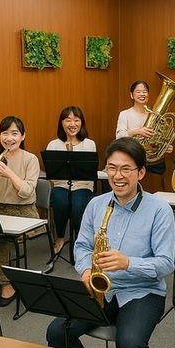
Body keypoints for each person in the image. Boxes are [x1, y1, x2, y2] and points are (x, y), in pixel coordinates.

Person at [46, 137, 175, 348]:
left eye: (126, 169)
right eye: (112, 168)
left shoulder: (159, 210)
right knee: (57, 331)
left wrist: (128, 262)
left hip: (143, 290)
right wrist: (85, 270)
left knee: (129, 343)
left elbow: (166, 263)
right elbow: (81, 246)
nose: (118, 176)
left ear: (141, 172)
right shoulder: (96, 204)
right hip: (100, 287)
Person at [0, 116, 40, 305]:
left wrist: (8, 173)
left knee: (0, 241)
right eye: (5, 133)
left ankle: (2, 284)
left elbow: (26, 192)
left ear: (23, 136)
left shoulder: (30, 159)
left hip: (24, 212)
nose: (9, 138)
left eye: (14, 133)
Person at [45, 106, 97, 255]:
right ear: (61, 123)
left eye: (76, 120)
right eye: (68, 120)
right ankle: (60, 237)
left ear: (82, 123)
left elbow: (90, 171)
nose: (72, 124)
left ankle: (81, 242)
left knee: (78, 204)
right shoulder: (53, 144)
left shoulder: (89, 144)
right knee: (60, 201)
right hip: (61, 185)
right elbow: (52, 174)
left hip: (83, 185)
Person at [116, 79, 171, 189]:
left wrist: (165, 146)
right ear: (131, 95)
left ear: (148, 95)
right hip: (133, 158)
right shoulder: (125, 114)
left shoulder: (155, 115)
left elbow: (157, 139)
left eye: (144, 92)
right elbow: (119, 137)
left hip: (153, 162)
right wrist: (137, 131)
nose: (142, 94)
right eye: (138, 92)